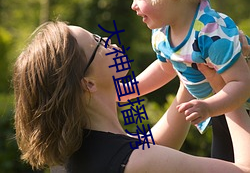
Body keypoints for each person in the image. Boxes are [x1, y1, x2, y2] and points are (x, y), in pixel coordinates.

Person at [13, 21, 250, 173]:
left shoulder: (72, 156)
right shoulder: (138, 162)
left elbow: (154, 145)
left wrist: (189, 61)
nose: (107, 40)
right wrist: (226, 88)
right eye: (97, 43)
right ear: (88, 83)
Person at [122, 0, 250, 161]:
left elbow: (242, 83)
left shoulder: (211, 32)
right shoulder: (162, 33)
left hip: (240, 107)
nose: (133, 5)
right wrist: (129, 90)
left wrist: (209, 107)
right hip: (221, 111)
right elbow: (165, 68)